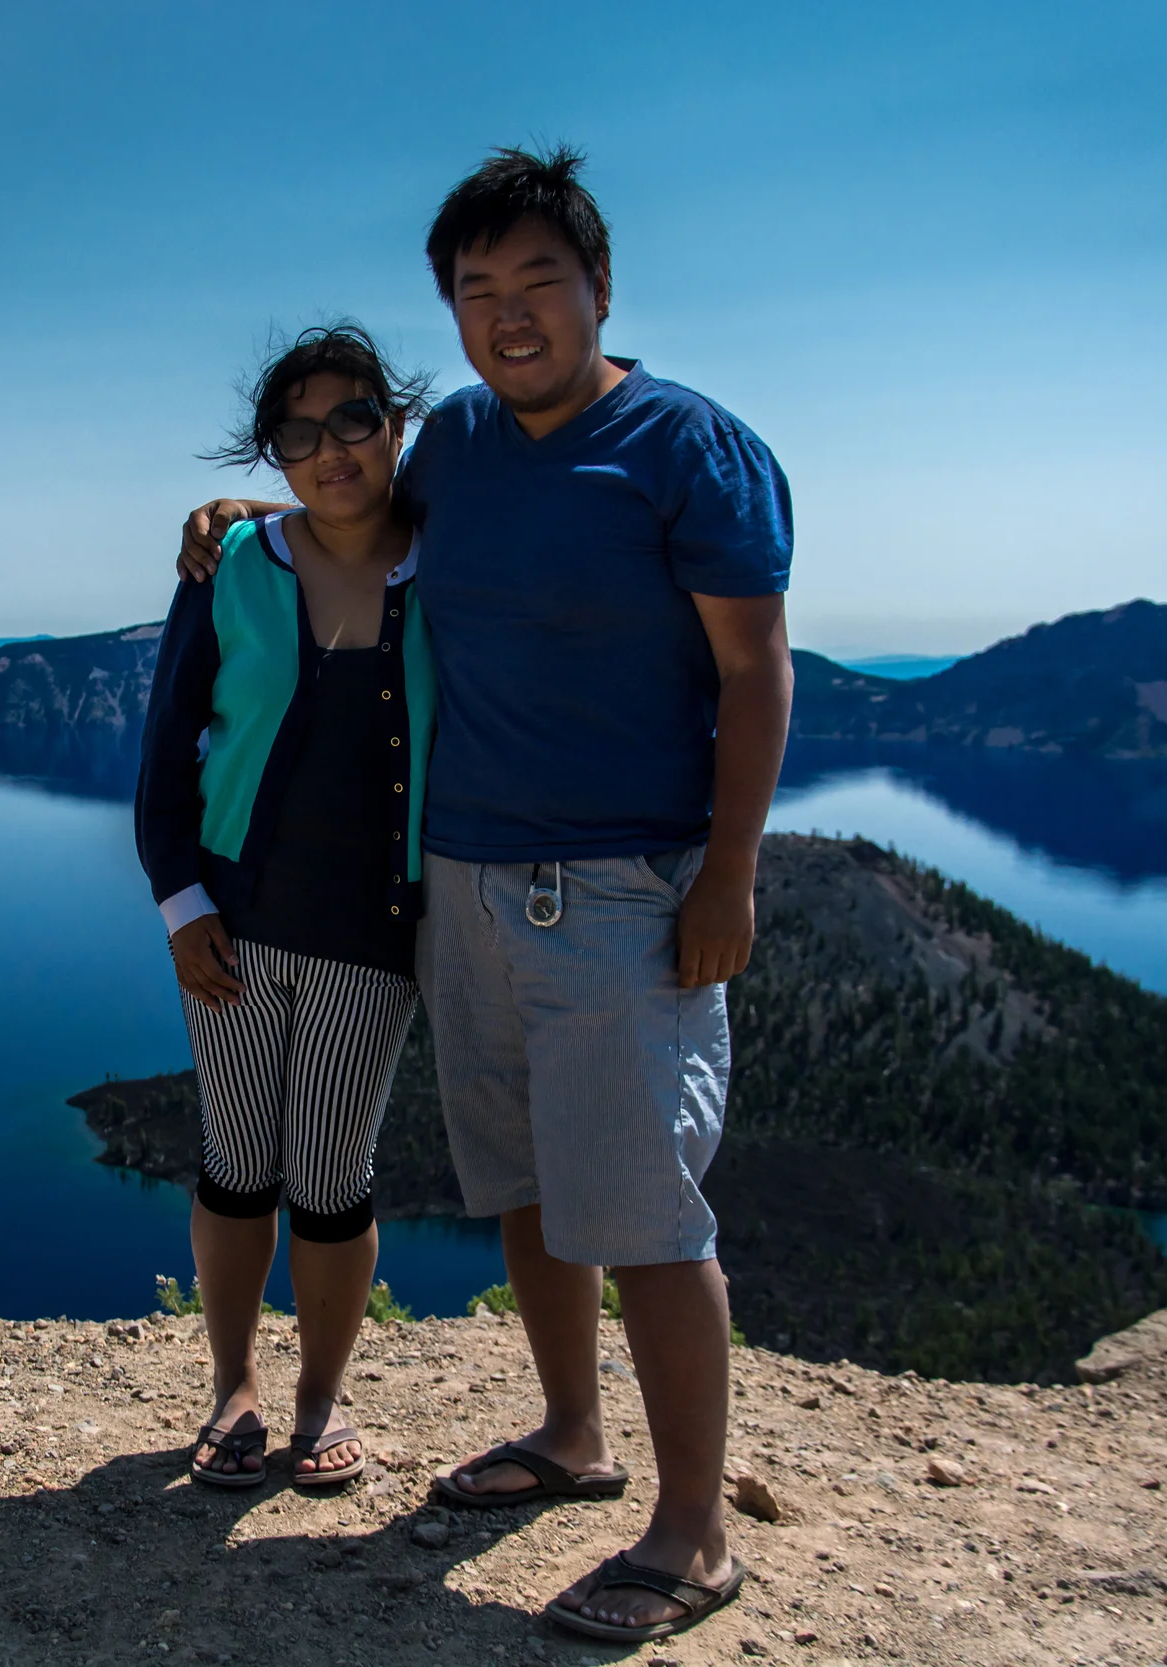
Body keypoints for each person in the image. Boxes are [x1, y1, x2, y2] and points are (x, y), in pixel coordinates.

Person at [177, 148, 794, 1642]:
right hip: (461, 884)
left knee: (648, 1215)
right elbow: (346, 518)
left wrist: (729, 872)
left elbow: (754, 668)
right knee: (525, 1190)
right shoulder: (451, 441)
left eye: (538, 281)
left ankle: (693, 1530)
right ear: (450, 313)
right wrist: (225, 527)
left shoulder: (688, 446)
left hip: (623, 886)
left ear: (600, 287)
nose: (510, 314)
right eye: (477, 290)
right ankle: (572, 1433)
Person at [135, 323, 437, 1490]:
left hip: (375, 928)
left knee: (331, 1173)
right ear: (274, 454)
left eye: (355, 418)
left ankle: (320, 1395)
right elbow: (164, 753)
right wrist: (180, 903)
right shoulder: (232, 568)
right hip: (233, 917)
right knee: (234, 1161)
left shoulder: (448, 561)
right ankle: (233, 1386)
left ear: (395, 423)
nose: (332, 449)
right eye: (300, 433)